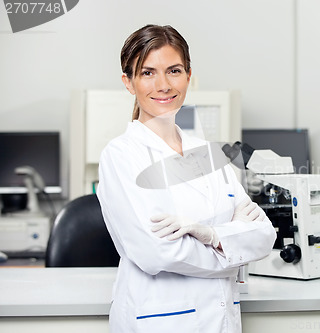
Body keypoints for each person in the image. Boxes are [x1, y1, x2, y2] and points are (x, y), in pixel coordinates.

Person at [96, 24, 276, 333]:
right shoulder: (121, 155)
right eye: (148, 73)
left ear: (189, 76)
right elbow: (156, 253)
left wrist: (210, 234)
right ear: (128, 82)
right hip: (160, 322)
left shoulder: (210, 154)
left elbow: (264, 235)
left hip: (222, 320)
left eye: (174, 71)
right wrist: (231, 245)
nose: (163, 85)